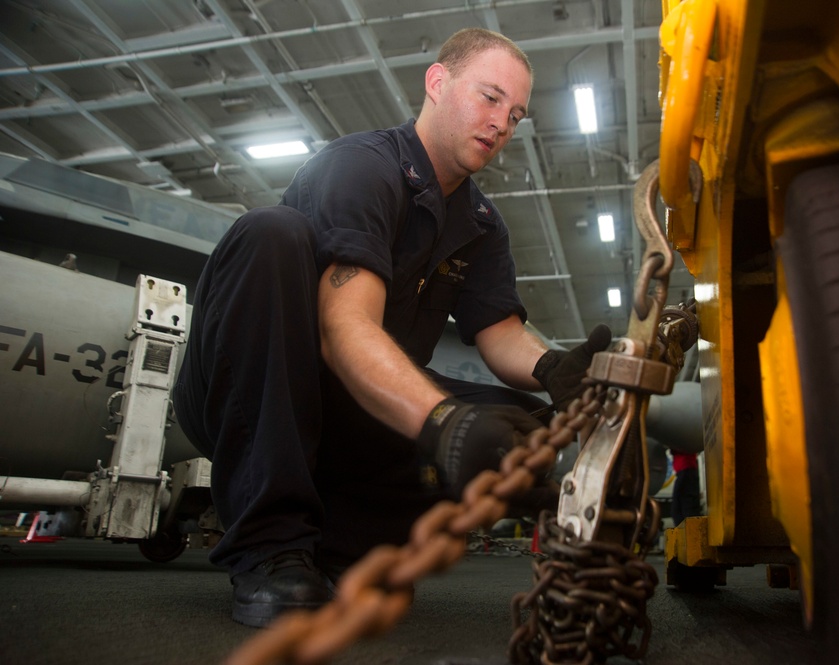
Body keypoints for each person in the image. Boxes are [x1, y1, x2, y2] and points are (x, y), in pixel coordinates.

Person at [172, 27, 611, 628]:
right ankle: (270, 546)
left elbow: (499, 331)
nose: (501, 124)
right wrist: (444, 421)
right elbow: (344, 329)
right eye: (489, 98)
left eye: (515, 115)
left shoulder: (482, 224)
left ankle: (343, 545)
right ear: (437, 83)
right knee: (270, 233)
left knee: (520, 428)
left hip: (348, 406)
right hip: (254, 396)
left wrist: (552, 368)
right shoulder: (362, 169)